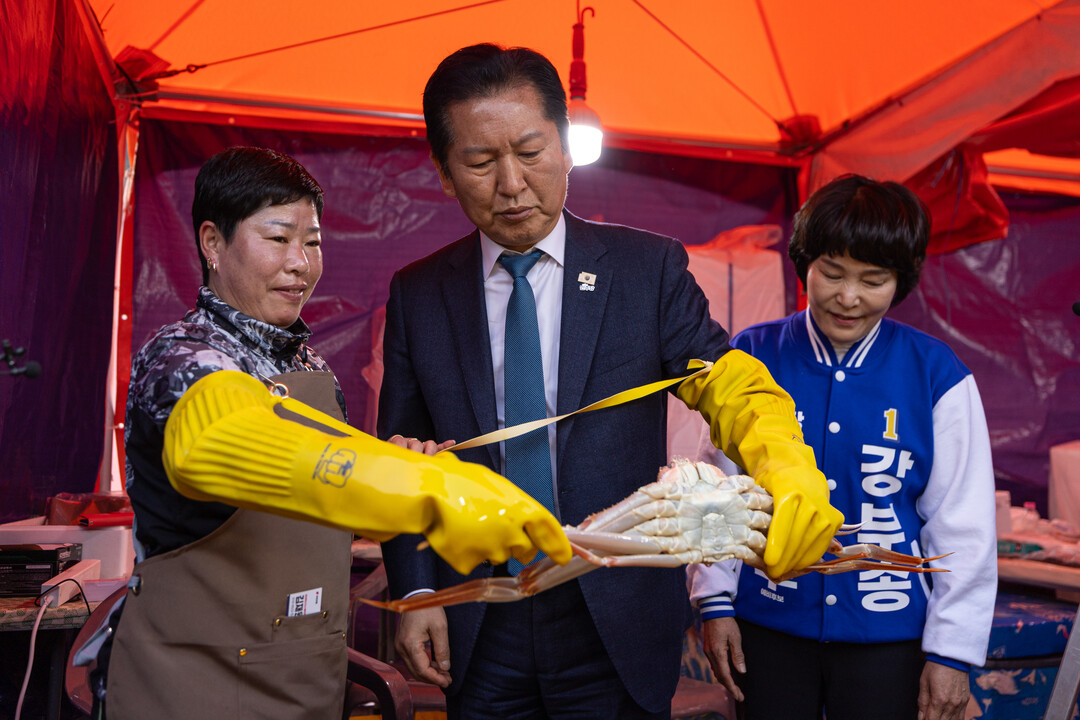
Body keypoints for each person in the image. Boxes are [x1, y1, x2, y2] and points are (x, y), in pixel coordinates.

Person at [377, 43, 844, 719]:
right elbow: (399, 457)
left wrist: (784, 461)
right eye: (480, 162)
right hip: (478, 613)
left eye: (531, 151)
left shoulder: (645, 269)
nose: (511, 184)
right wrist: (417, 592)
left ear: (567, 146)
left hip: (614, 611)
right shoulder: (419, 293)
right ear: (445, 173)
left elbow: (725, 381)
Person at [89, 146, 570, 720]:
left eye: (313, 242)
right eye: (278, 238)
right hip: (193, 681)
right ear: (212, 242)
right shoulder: (183, 356)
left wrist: (402, 462)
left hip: (305, 679)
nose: (301, 264)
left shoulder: (311, 367)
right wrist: (418, 489)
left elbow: (318, 491)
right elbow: (222, 440)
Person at [688, 175, 997, 720]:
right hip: (769, 625)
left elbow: (963, 525)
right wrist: (714, 602)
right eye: (832, 273)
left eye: (873, 280)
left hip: (889, 638)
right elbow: (715, 489)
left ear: (901, 281)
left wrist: (952, 651)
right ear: (804, 262)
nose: (848, 297)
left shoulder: (937, 374)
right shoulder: (751, 356)